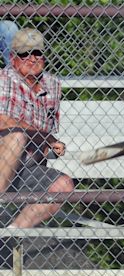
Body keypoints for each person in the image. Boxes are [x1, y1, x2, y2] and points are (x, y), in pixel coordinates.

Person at [0, 28, 73, 251]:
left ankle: (7, 238)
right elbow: (4, 121)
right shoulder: (3, 80)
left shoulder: (52, 86)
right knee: (16, 136)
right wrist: (46, 137)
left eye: (37, 53)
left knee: (64, 185)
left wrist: (52, 148)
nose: (32, 59)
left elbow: (45, 139)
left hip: (28, 168)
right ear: (13, 58)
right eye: (25, 54)